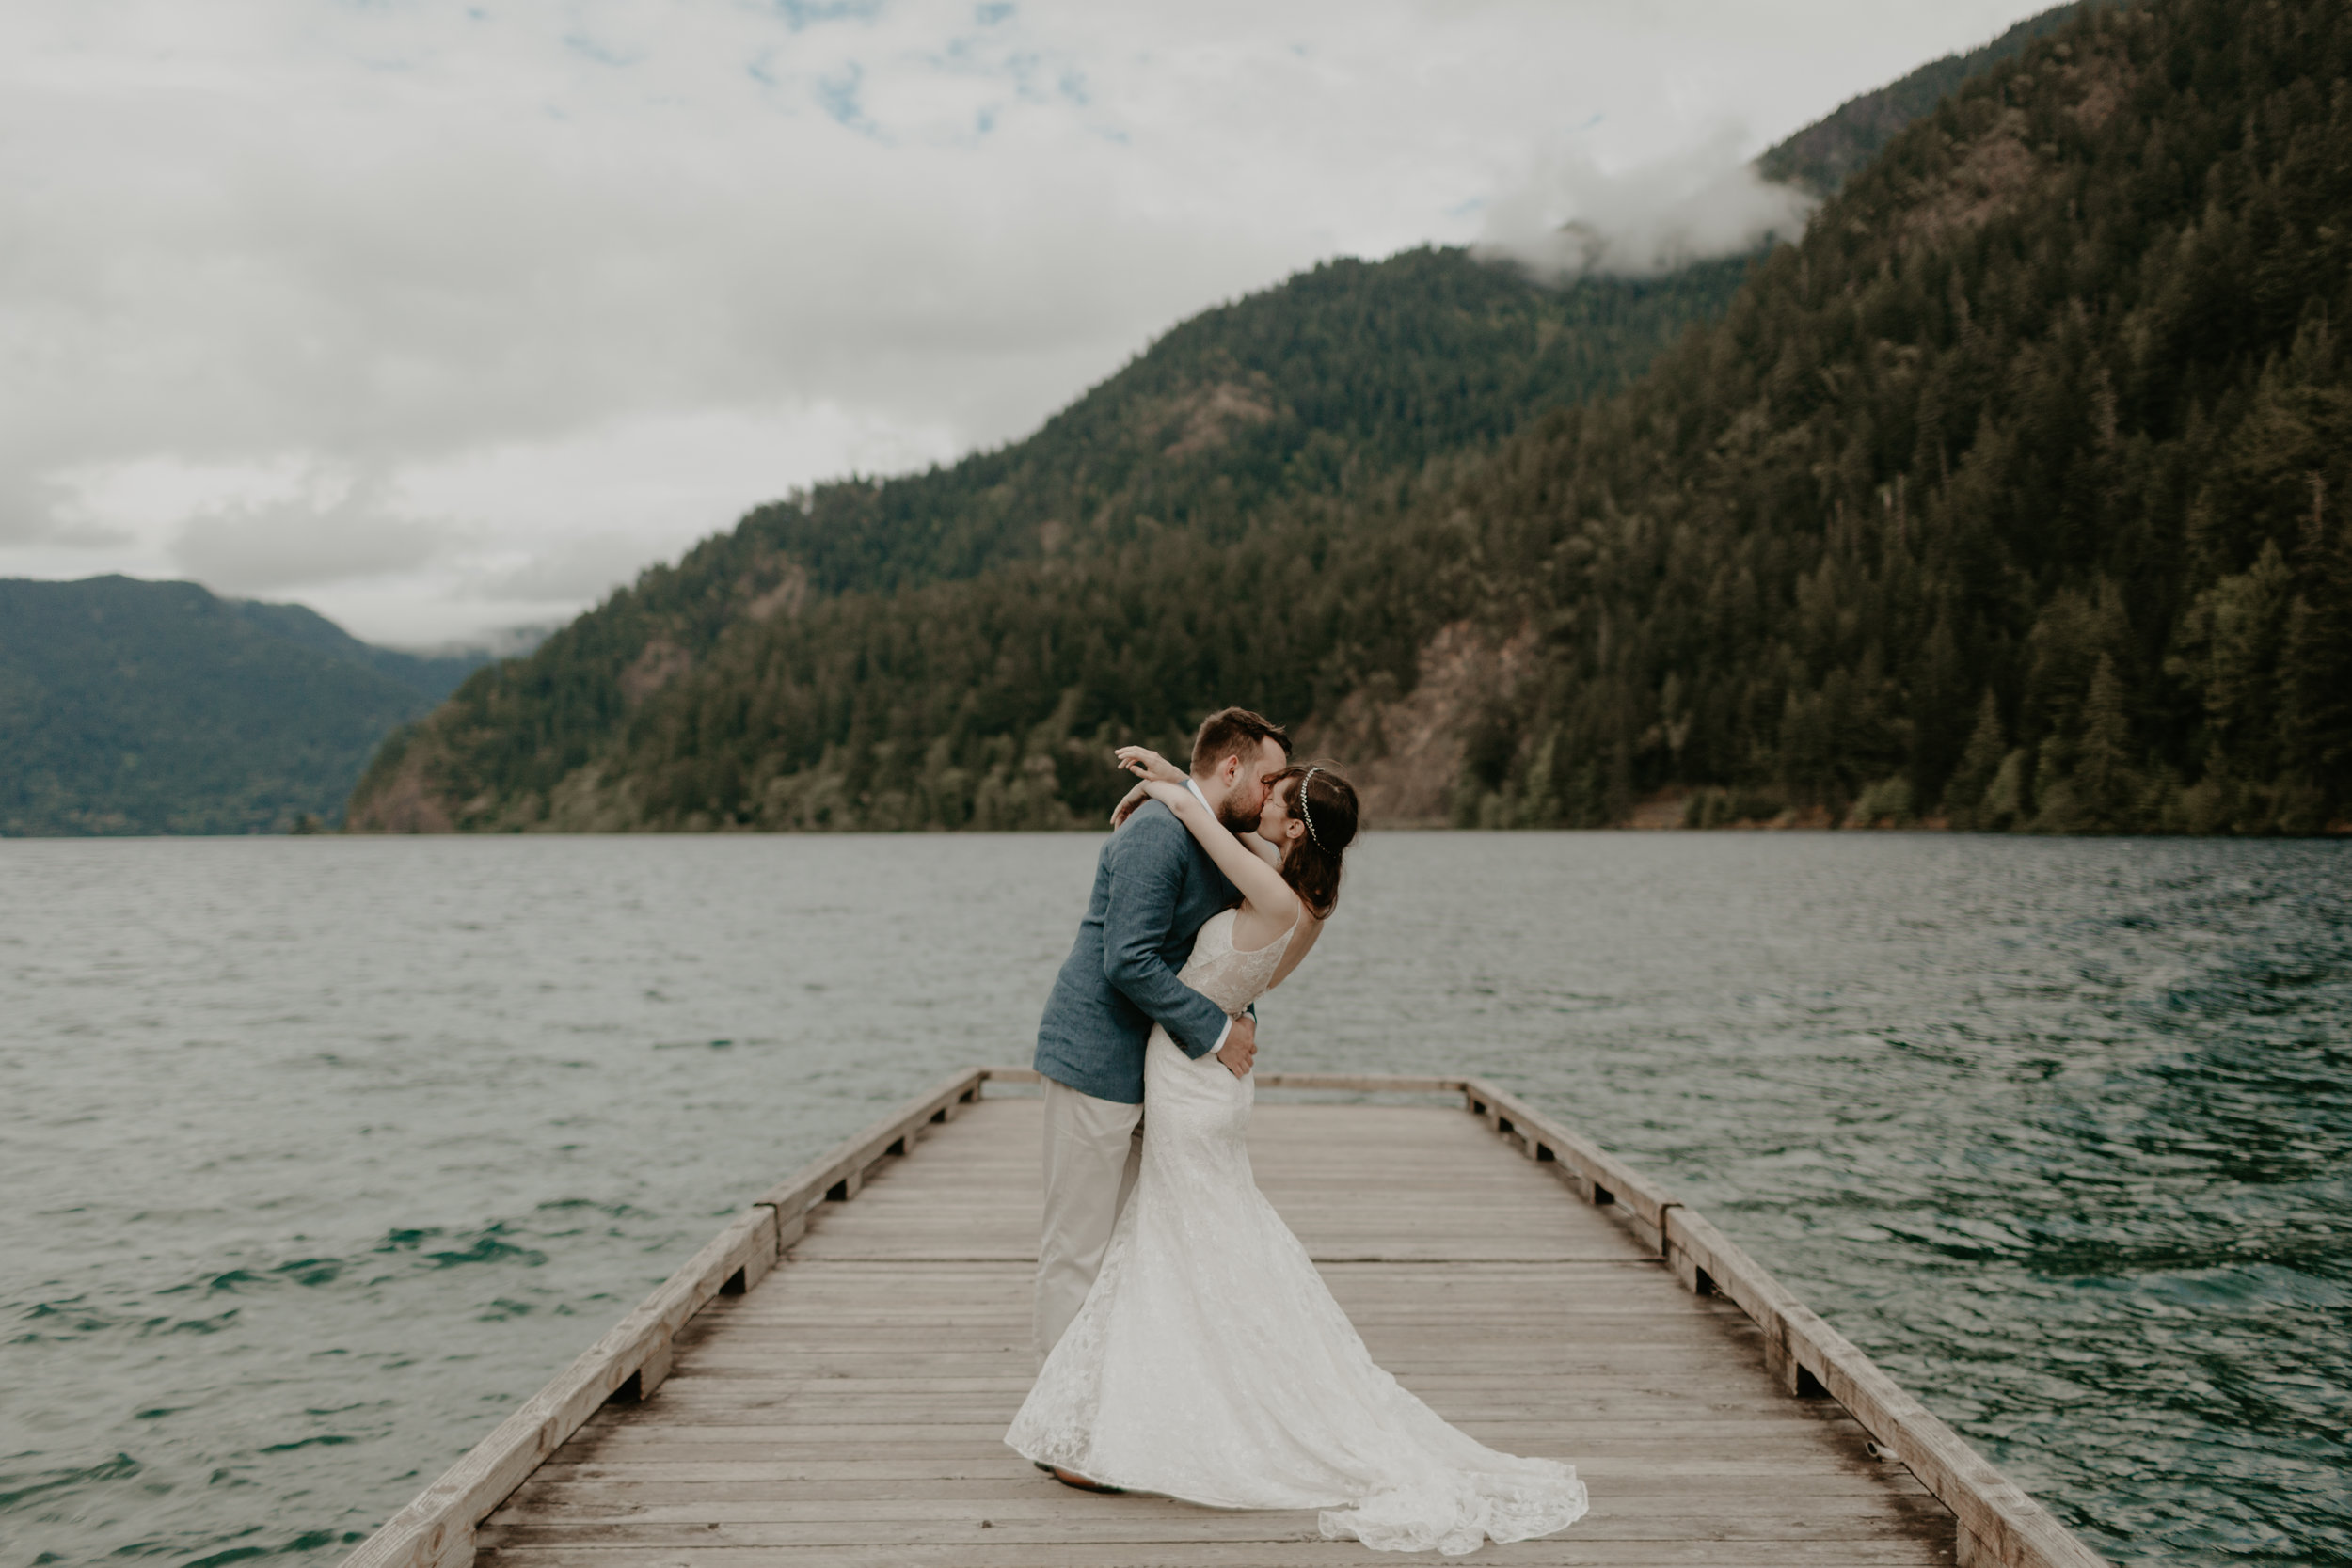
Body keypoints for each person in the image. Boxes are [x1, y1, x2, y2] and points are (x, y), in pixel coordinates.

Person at [1007, 746, 1590, 1557]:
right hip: (1196, 1081)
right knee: (1162, 1247)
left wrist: (1177, 793)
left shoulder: (1273, 890)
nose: (1267, 797)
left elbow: (1203, 828)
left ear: (1289, 821)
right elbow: (1214, 834)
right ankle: (1115, 1411)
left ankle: (1092, 1422)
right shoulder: (1296, 890)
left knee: (1162, 1245)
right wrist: (1182, 783)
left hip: (1192, 1080)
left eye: (1278, 791)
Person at [1028, 708, 1293, 1382]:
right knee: (1078, 1249)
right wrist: (1217, 1031)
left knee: (1130, 1245)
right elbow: (1129, 960)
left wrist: (1242, 1008)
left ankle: (1112, 1402)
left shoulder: (1208, 833)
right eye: (1267, 782)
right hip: (1093, 1059)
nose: (1271, 799)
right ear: (1231, 768)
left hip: (1154, 1069)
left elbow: (1218, 948)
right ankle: (1062, 1430)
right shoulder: (1156, 834)